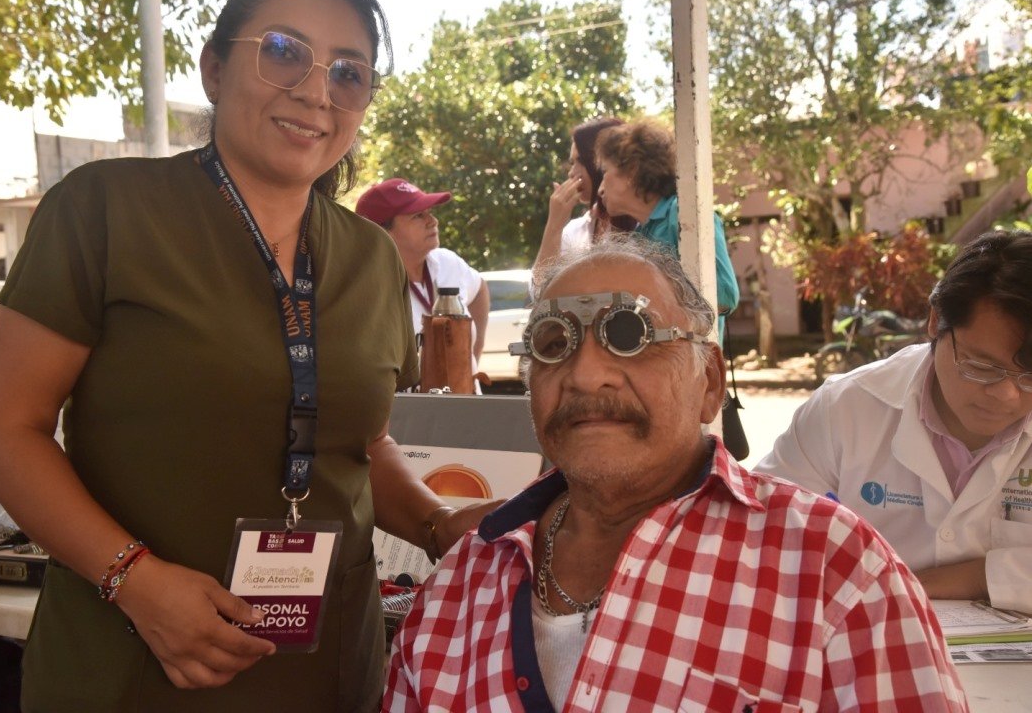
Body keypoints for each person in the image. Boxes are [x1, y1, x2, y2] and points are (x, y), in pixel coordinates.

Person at [0, 0, 489, 712]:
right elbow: (6, 433)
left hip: (327, 667)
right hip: (130, 663)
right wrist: (135, 580)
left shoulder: (372, 258)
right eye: (283, 51)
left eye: (349, 73)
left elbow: (357, 444)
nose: (316, 91)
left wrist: (440, 524)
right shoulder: (105, 210)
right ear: (214, 67)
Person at [385, 235, 966, 711]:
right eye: (553, 342)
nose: (587, 376)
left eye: (630, 337)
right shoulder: (462, 581)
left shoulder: (834, 572)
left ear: (710, 381)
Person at [757, 229, 1032, 615]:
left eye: (1028, 378)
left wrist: (940, 580)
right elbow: (761, 532)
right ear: (935, 322)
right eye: (981, 366)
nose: (1007, 395)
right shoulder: (847, 409)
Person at [592, 118, 739, 342]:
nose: (600, 189)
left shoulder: (683, 212)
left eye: (605, 172)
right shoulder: (639, 236)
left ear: (631, 170)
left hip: (693, 367)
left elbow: (725, 295)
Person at [355, 178, 489, 364]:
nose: (433, 221)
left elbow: (480, 288)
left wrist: (475, 352)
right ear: (382, 233)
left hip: (465, 392)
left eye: (430, 213)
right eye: (418, 216)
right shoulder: (366, 290)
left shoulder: (447, 263)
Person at [530, 117, 629, 287]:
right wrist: (554, 225)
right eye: (571, 163)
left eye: (580, 162)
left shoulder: (644, 222)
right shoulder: (575, 230)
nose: (571, 173)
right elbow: (539, 291)